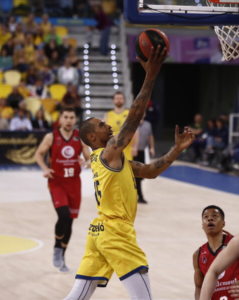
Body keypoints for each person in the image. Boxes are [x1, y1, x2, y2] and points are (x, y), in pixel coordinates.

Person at [66, 46, 193, 299]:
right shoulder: (108, 152)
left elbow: (148, 171)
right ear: (93, 137)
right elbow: (134, 118)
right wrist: (151, 76)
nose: (109, 125)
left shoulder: (107, 160)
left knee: (76, 297)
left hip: (99, 230)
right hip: (115, 231)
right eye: (103, 125)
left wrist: (176, 149)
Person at [34, 108, 91, 273]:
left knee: (70, 220)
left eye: (71, 117)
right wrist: (45, 168)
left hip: (74, 184)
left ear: (75, 120)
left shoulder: (80, 137)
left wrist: (85, 164)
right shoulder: (51, 137)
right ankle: (57, 247)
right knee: (64, 215)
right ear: (60, 119)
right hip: (57, 183)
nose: (68, 120)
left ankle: (62, 254)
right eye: (65, 117)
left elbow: (90, 159)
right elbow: (38, 154)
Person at [193, 205, 239, 300]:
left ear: (223, 224)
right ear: (202, 225)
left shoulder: (237, 244)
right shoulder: (198, 254)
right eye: (206, 217)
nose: (210, 219)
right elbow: (199, 286)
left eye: (215, 216)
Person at [104, 92, 138, 161]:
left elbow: (136, 131)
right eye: (117, 98)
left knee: (127, 169)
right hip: (112, 149)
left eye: (120, 98)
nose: (119, 100)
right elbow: (104, 133)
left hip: (126, 148)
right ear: (113, 100)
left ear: (124, 100)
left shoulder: (130, 114)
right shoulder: (108, 115)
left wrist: (135, 147)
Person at [134, 118, 154, 204]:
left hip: (141, 152)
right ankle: (140, 196)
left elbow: (150, 137)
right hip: (132, 153)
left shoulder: (148, 125)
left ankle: (138, 195)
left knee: (141, 176)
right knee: (136, 176)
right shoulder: (132, 123)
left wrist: (152, 148)